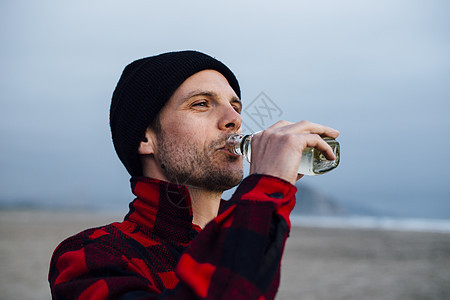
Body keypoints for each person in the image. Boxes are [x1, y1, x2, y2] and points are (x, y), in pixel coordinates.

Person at [48, 50, 339, 299]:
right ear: (146, 138)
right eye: (201, 104)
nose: (235, 120)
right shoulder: (91, 256)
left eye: (235, 107)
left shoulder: (251, 234)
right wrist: (265, 188)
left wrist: (264, 203)